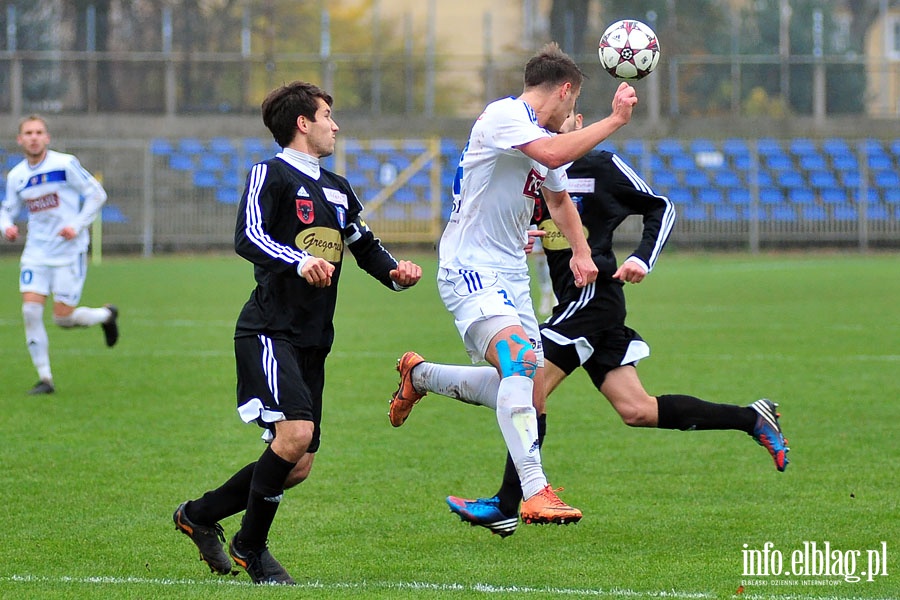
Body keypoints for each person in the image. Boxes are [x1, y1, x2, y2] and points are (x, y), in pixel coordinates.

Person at [389, 110, 790, 538]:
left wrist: (641, 257)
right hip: (577, 304)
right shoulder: (535, 166)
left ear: (577, 120)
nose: (554, 124)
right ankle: (752, 418)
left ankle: (504, 499)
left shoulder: (601, 166)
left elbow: (662, 207)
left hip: (594, 300)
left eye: (565, 118)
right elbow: (523, 217)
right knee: (637, 410)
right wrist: (521, 234)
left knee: (528, 380)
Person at [173, 81, 422, 585]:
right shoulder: (270, 172)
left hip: (313, 337)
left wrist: (395, 273)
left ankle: (198, 516)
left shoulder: (337, 186)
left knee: (299, 463)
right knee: (296, 434)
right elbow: (249, 235)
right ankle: (251, 546)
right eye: (327, 115)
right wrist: (299, 258)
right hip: (269, 329)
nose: (336, 124)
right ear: (302, 123)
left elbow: (365, 244)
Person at [389, 43, 638, 528]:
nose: (572, 112)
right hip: (468, 266)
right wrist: (613, 121)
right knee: (521, 362)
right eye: (573, 102)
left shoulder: (541, 134)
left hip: (511, 275)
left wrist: (583, 255)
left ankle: (420, 376)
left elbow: (560, 201)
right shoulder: (505, 116)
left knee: (530, 389)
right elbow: (549, 152)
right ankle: (534, 491)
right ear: (565, 91)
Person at [1, 115, 119, 395]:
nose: (33, 137)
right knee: (30, 311)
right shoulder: (16, 176)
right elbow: (6, 208)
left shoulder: (64, 164)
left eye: (38, 132)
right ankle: (45, 379)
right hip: (36, 252)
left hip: (69, 251)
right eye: (28, 132)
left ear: (47, 137)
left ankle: (106, 316)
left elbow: (96, 194)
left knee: (63, 319)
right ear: (20, 139)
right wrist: (6, 227)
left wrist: (76, 225)